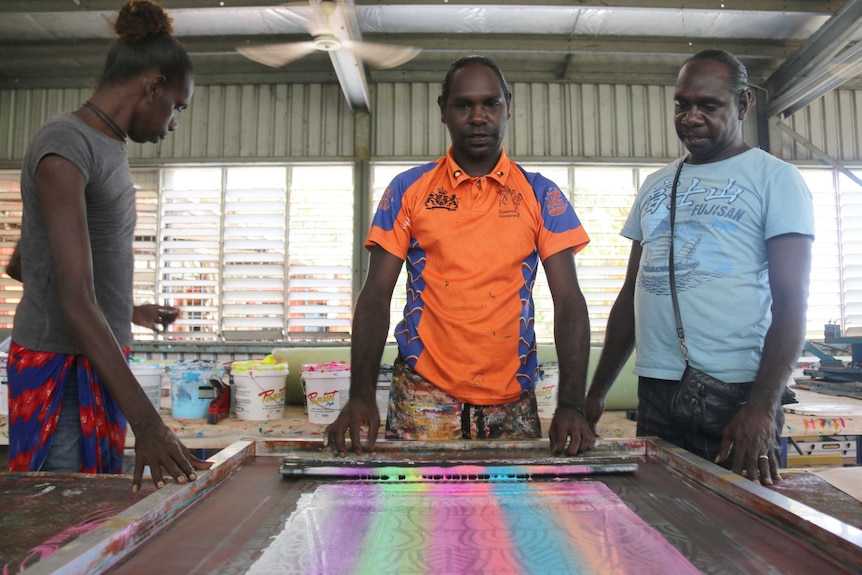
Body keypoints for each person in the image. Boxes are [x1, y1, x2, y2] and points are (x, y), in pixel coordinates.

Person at [325, 55, 595, 457]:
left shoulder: (541, 194)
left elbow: (569, 302)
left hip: (513, 402)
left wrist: (571, 404)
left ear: (509, 105)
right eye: (463, 105)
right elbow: (374, 296)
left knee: (512, 516)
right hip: (423, 399)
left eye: (491, 104)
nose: (478, 117)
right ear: (443, 111)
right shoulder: (408, 189)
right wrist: (360, 393)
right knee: (417, 517)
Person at [6, 0, 210, 492]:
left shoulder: (106, 148)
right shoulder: (66, 144)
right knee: (63, 524)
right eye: (177, 107)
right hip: (62, 375)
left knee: (95, 519)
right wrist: (150, 425)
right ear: (152, 85)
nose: (173, 123)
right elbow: (74, 301)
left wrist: (127, 309)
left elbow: (23, 264)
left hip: (93, 360)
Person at [585, 49, 814, 485]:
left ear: (743, 105)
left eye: (709, 105)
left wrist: (763, 407)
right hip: (657, 388)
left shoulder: (775, 179)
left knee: (740, 533)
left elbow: (792, 307)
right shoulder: (656, 184)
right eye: (682, 104)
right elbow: (632, 296)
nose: (691, 117)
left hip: (735, 395)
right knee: (664, 525)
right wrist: (594, 395)